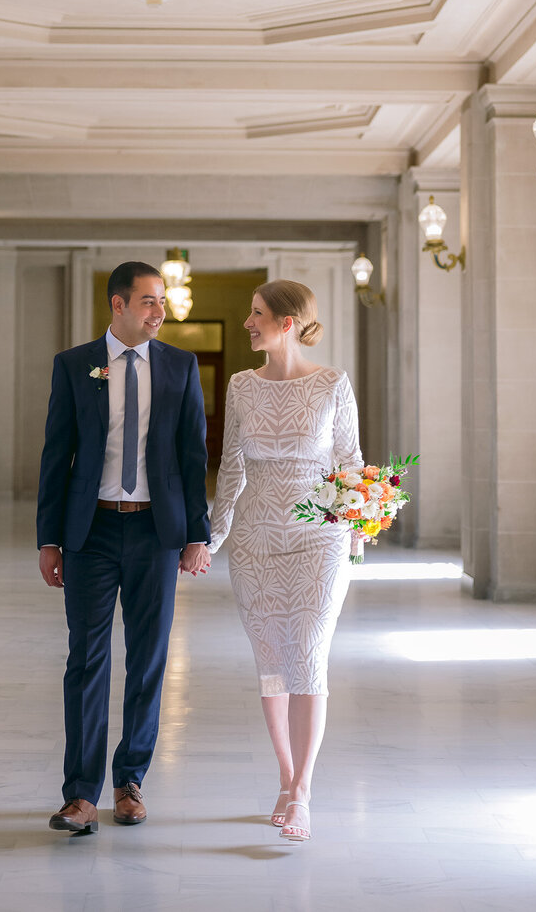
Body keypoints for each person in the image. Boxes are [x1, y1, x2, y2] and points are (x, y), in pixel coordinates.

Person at [37, 261, 211, 835]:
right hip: (90, 533)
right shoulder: (74, 365)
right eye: (148, 302)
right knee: (86, 659)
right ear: (118, 305)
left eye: (162, 302)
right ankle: (80, 795)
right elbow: (55, 456)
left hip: (155, 534)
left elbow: (192, 457)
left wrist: (195, 535)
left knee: (148, 660)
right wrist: (49, 538)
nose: (160, 312)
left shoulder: (181, 367)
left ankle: (130, 782)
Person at [208, 280, 362, 843]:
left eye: (256, 314)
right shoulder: (242, 386)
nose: (248, 323)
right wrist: (213, 536)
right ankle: (284, 776)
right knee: (272, 660)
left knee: (310, 655)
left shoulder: (331, 385)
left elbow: (350, 460)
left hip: (319, 536)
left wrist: (356, 533)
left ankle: (304, 791)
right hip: (254, 542)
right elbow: (231, 470)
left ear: (287, 323)